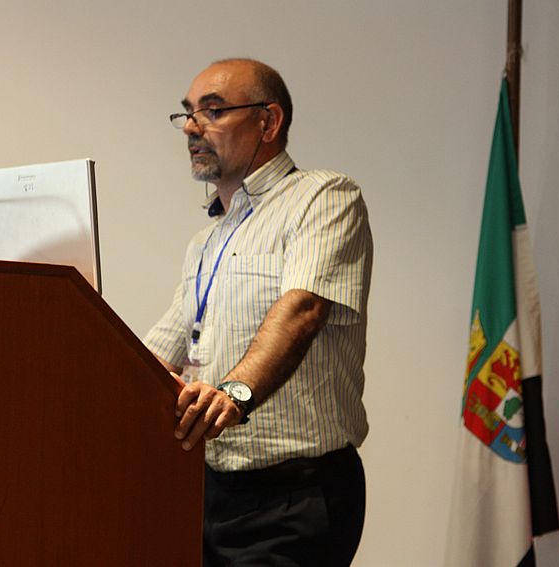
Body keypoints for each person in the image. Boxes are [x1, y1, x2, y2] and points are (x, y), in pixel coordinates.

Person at [143, 58, 373, 566]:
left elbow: (303, 309)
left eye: (213, 110)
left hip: (293, 496)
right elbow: (159, 351)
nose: (190, 127)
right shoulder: (207, 241)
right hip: (209, 492)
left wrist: (234, 394)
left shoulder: (323, 197)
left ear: (268, 121)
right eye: (187, 113)